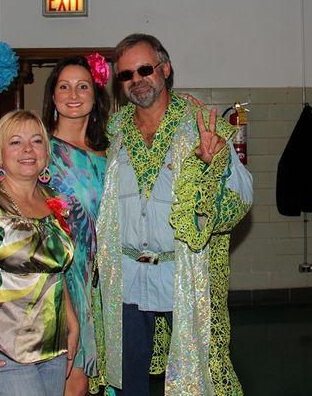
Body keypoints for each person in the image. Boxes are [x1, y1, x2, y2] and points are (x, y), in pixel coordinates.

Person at [97, 33, 253, 395]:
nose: (137, 80)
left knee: (195, 377)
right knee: (125, 378)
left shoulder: (202, 126)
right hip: (125, 277)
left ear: (165, 69)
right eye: (126, 75)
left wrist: (216, 167)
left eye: (145, 69)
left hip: (183, 276)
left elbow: (242, 197)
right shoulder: (114, 131)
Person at [0, 55, 112, 396]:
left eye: (83, 86)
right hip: (12, 327)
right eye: (64, 86)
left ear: (96, 94)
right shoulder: (33, 155)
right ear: (52, 95)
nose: (73, 94)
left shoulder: (107, 154)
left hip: (85, 293)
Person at [0, 110, 78, 396]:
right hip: (0, 350)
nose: (28, 150)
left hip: (53, 346)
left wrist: (71, 322)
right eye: (15, 142)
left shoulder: (53, 202)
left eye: (36, 141)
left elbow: (55, 271)